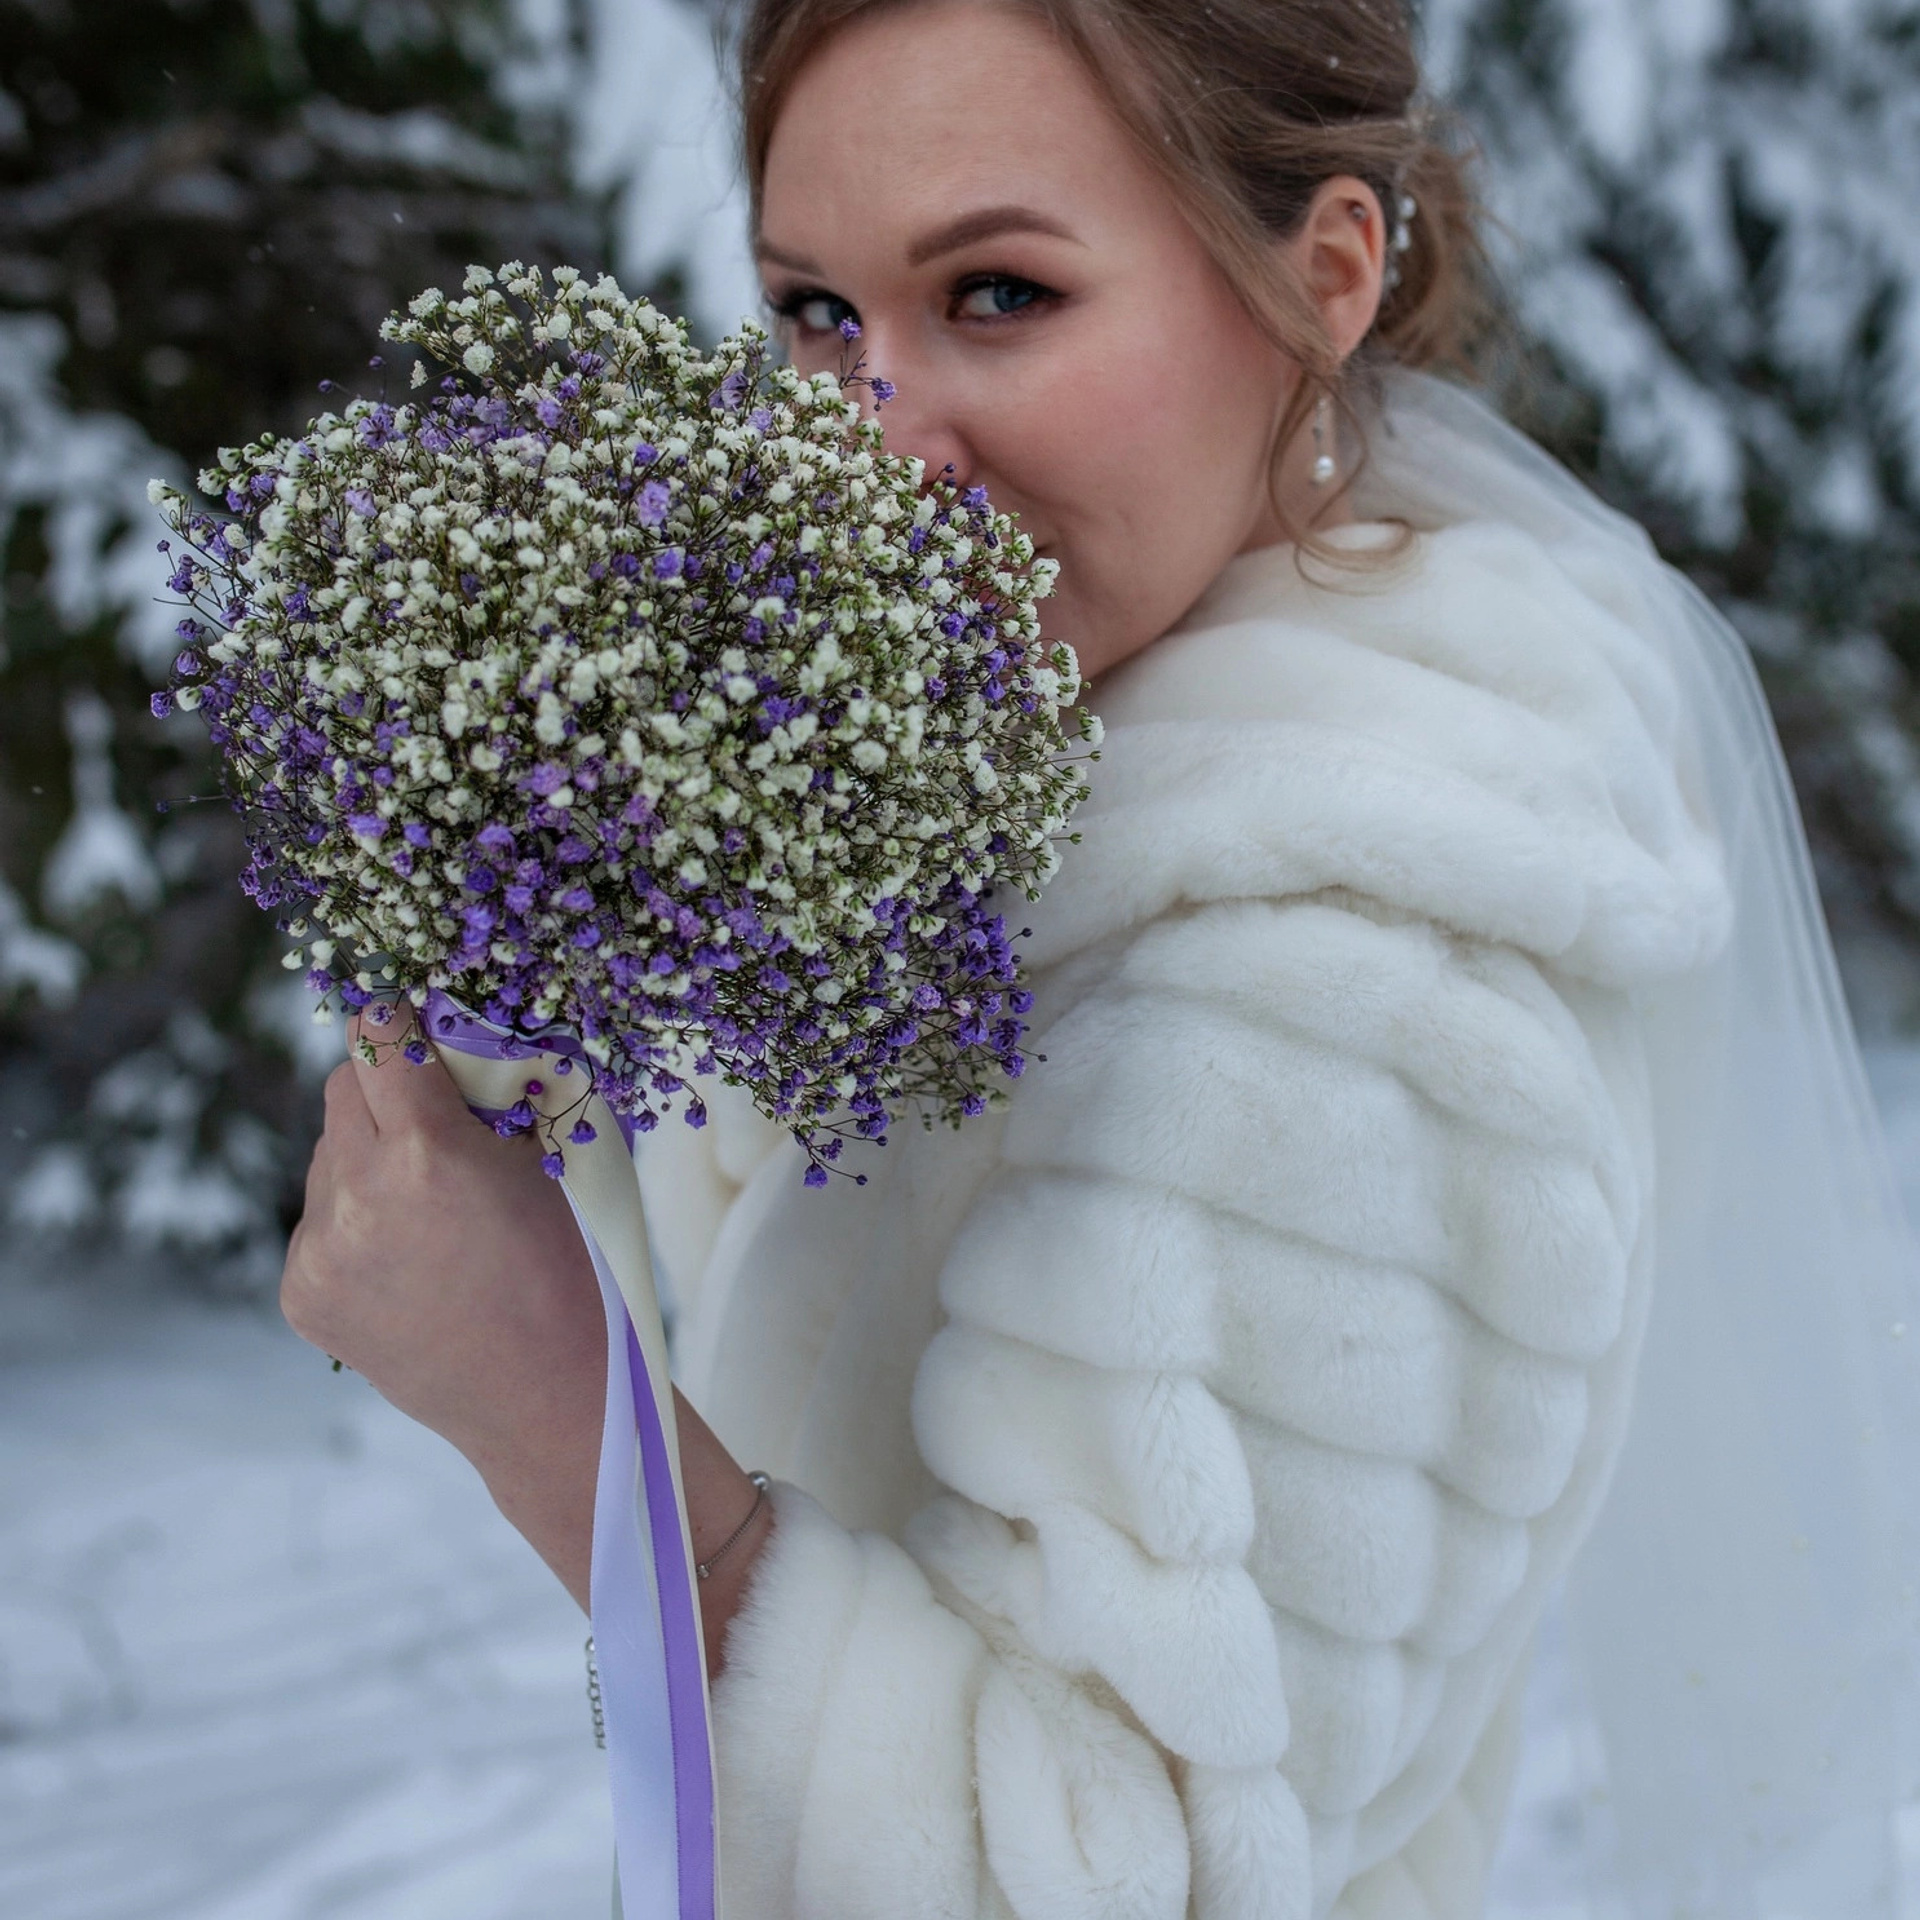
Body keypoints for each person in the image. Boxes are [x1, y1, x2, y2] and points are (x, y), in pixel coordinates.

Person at [281, 0, 1920, 1913]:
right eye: (817, 311)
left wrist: (560, 1413)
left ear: (1320, 281)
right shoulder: (1051, 742)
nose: (862, 445)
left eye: (996, 295)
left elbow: (1116, 1867)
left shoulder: (1341, 993)